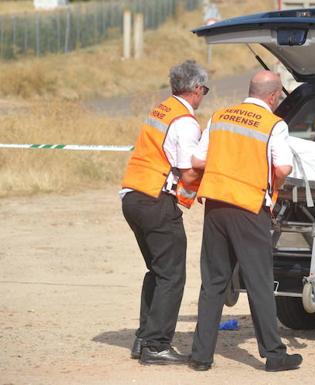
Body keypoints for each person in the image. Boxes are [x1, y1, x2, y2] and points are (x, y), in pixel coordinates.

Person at [188, 70, 302, 372]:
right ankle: (275, 355)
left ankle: (200, 356)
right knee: (259, 281)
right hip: (249, 210)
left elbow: (198, 161)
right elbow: (283, 168)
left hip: (215, 206)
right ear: (274, 96)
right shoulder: (273, 125)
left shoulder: (221, 116)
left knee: (212, 282)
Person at [120, 60, 208, 365]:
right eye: (205, 90)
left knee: (157, 271)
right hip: (156, 200)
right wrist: (195, 196)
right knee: (172, 274)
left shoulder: (161, 109)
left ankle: (144, 339)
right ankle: (157, 345)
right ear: (197, 89)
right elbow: (188, 171)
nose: (203, 96)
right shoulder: (185, 121)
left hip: (133, 194)